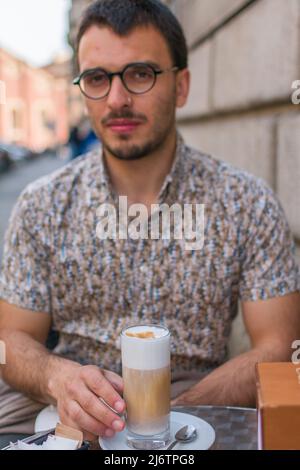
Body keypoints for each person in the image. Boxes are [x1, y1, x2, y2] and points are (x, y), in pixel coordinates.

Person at [0, 0, 299, 448]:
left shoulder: (247, 203)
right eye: (98, 78)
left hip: (194, 397)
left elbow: (279, 348)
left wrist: (174, 414)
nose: (117, 99)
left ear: (181, 86)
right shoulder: (42, 204)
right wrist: (55, 376)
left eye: (139, 74)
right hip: (60, 400)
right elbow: (11, 339)